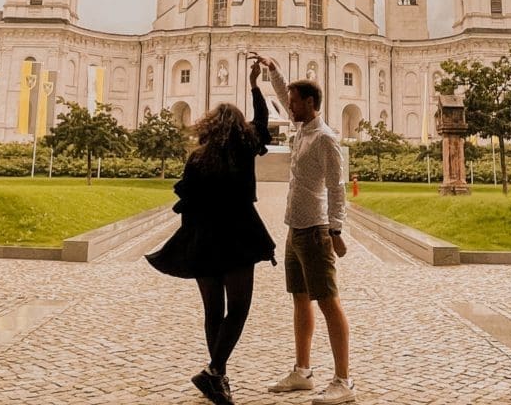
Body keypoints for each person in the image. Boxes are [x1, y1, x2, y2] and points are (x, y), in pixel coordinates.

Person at [145, 62, 276, 405]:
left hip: (203, 239)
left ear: (210, 126)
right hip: (237, 236)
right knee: (240, 307)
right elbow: (261, 123)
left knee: (213, 311)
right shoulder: (244, 150)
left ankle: (218, 376)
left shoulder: (197, 159)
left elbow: (186, 201)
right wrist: (255, 87)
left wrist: (190, 240)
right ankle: (215, 372)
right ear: (239, 129)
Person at [253, 54, 355, 405]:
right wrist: (273, 70)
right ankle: (303, 371)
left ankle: (344, 380)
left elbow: (337, 187)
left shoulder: (325, 138)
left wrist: (336, 230)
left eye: (295, 103)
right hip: (294, 230)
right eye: (290, 102)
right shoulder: (301, 129)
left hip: (316, 230)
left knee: (328, 302)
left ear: (310, 104)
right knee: (300, 299)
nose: (289, 108)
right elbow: (283, 96)